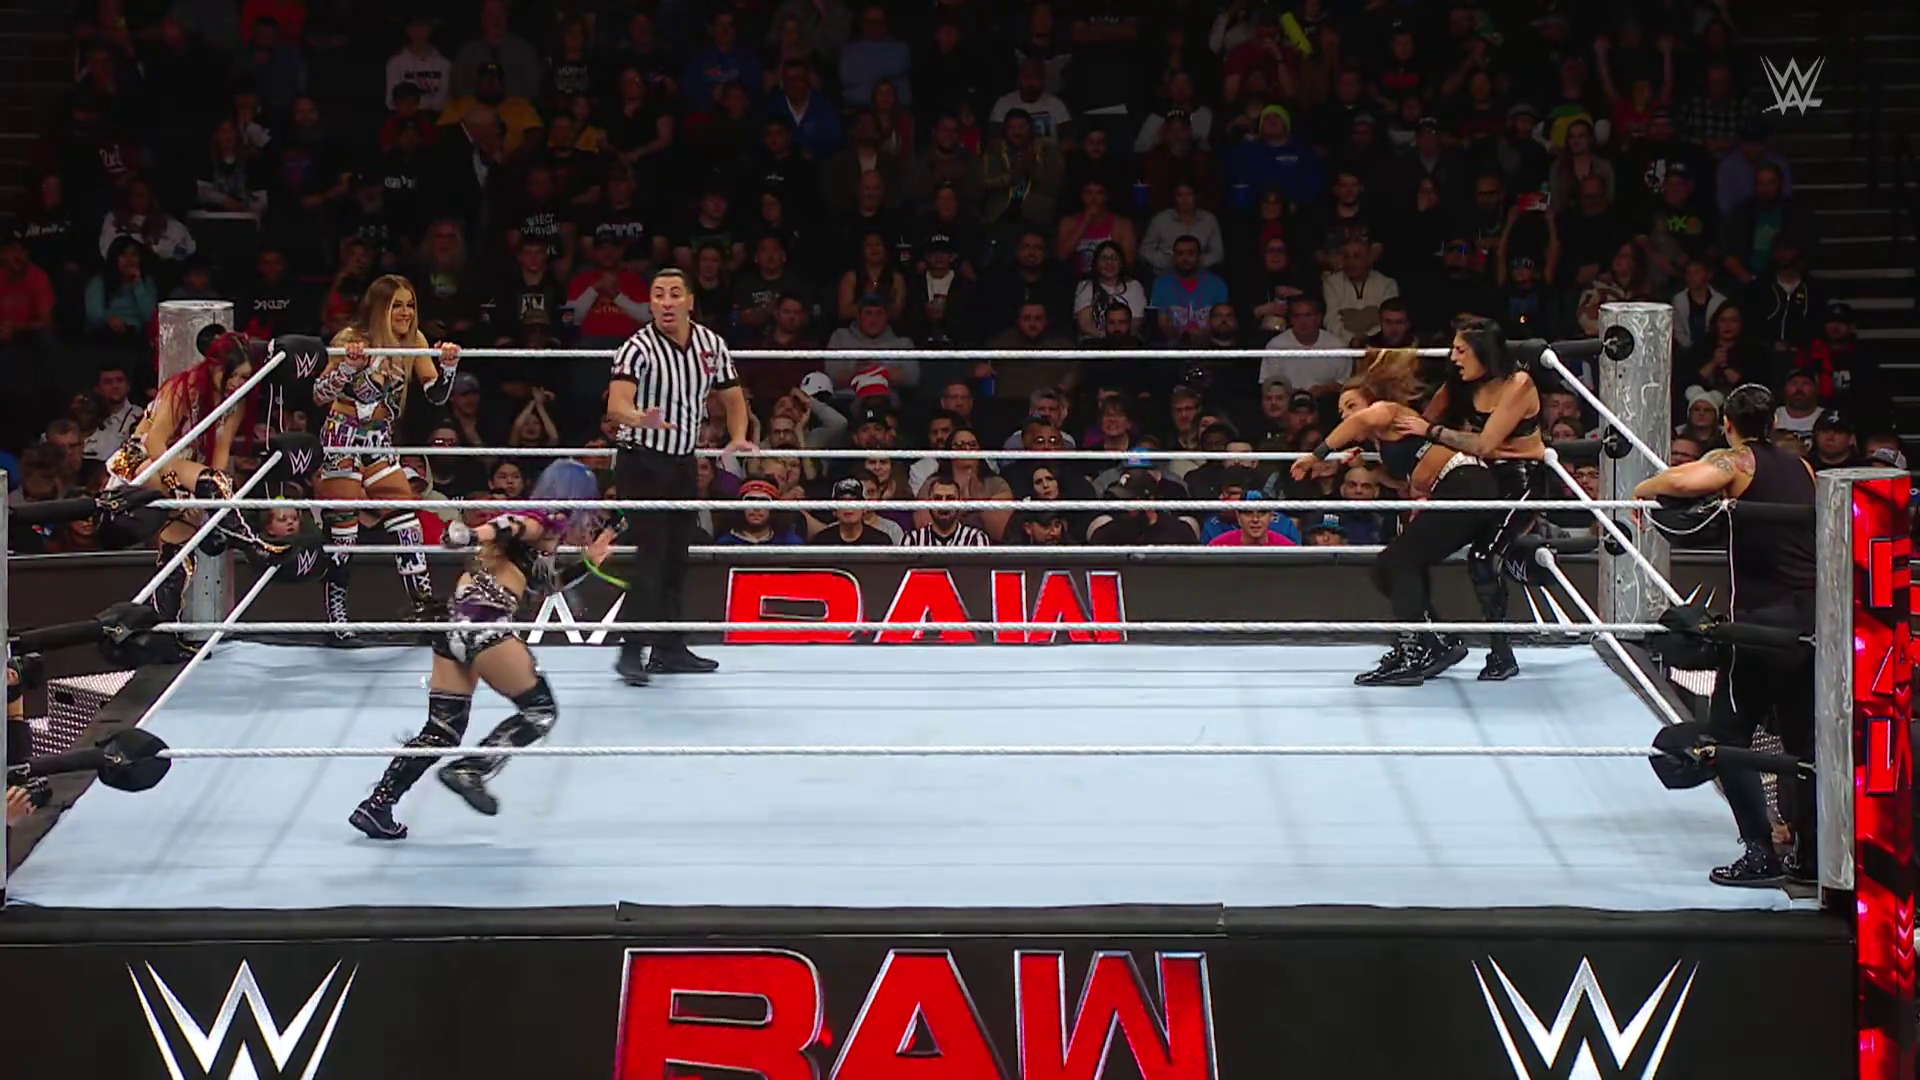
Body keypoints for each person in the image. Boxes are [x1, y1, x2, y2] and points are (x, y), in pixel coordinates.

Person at [350, 462, 617, 840]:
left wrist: (589, 561)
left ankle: (376, 806)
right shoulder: (544, 519)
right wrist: (470, 533)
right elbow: (511, 524)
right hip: (484, 625)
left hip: (453, 625)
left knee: (442, 730)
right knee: (540, 712)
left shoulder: (535, 535)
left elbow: (545, 583)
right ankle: (471, 769)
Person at [1633, 384, 1817, 887]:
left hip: (1759, 624)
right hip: (1808, 619)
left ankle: (1760, 853)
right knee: (1802, 741)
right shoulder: (1801, 466)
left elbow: (1682, 479)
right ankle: (1811, 856)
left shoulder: (1737, 462)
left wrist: (1642, 490)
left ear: (1727, 425)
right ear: (1773, 420)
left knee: (1729, 736)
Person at [1292, 351, 1502, 686]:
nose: (1346, 415)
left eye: (1351, 405)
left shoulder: (1388, 411)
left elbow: (1361, 422)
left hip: (1466, 484)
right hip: (1455, 490)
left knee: (1399, 562)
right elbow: (1408, 485)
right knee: (1386, 568)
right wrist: (1370, 471)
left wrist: (1316, 454)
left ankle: (1412, 653)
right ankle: (1437, 642)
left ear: (1370, 401)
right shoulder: (1388, 443)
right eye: (1341, 411)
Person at [607, 267, 755, 686]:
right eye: (658, 294)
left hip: (683, 463)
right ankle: (631, 649)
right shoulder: (636, 348)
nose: (667, 302)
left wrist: (738, 437)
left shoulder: (711, 344)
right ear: (650, 303)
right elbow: (616, 405)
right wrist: (641, 417)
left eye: (675, 293)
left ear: (690, 301)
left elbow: (733, 397)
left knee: (676, 558)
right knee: (652, 555)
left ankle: (669, 649)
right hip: (641, 461)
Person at [311, 275, 462, 641]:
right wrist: (348, 367)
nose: (406, 313)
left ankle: (423, 609)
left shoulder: (415, 340)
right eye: (397, 305)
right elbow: (319, 394)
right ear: (380, 308)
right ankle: (336, 620)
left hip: (379, 438)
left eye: (410, 304)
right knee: (344, 531)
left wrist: (448, 366)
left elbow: (436, 395)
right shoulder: (351, 339)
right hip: (343, 437)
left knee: (406, 519)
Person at [103, 331, 294, 621]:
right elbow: (155, 442)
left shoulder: (236, 401)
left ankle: (163, 624)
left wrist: (203, 504)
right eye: (234, 375)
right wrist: (178, 492)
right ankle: (251, 545)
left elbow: (220, 455)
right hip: (144, 464)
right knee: (211, 483)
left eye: (245, 377)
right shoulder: (183, 388)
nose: (239, 383)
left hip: (187, 472)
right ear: (216, 367)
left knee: (178, 554)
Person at [1397, 319, 1546, 680]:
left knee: (1482, 558)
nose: (1454, 357)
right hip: (1475, 478)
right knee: (1410, 548)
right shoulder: (1459, 385)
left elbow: (1484, 444)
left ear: (1484, 352)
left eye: (1461, 350)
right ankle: (1431, 641)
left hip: (1521, 481)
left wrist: (1432, 431)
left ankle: (1502, 654)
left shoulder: (1519, 384)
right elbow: (1414, 426)